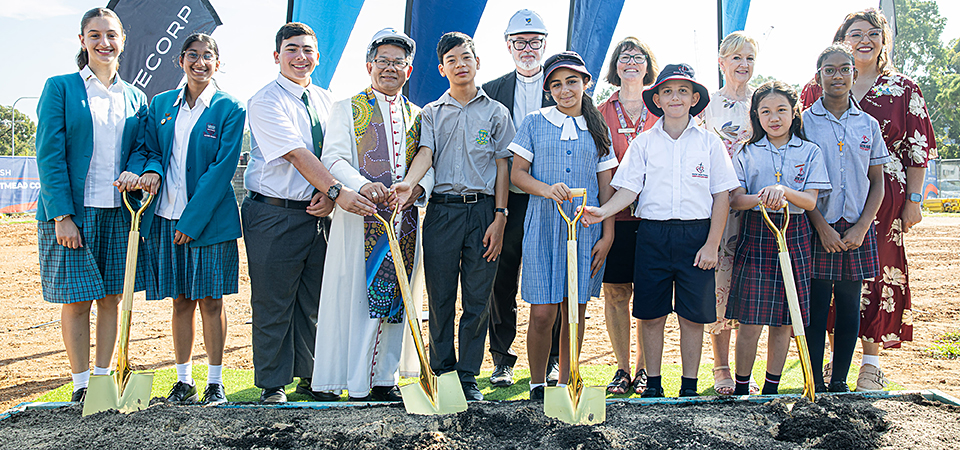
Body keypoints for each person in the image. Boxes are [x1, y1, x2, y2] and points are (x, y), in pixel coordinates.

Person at [582, 64, 740, 398]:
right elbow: (627, 190)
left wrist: (712, 244)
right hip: (652, 236)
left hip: (697, 237)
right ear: (657, 98)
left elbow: (722, 196)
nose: (675, 97)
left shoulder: (710, 144)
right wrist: (603, 212)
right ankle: (652, 385)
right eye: (667, 91)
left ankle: (689, 387)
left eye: (683, 91)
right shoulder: (643, 144)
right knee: (651, 313)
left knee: (692, 317)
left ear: (695, 98)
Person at [800, 9, 936, 392]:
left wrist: (914, 199)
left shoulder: (902, 88)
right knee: (827, 284)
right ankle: (832, 365)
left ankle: (871, 365)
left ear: (883, 39)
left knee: (877, 281)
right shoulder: (814, 90)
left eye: (872, 33)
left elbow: (918, 148)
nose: (864, 39)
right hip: (823, 204)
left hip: (883, 202)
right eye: (854, 33)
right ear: (841, 40)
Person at [244, 22, 376, 404]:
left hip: (319, 213)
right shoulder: (266, 100)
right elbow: (296, 154)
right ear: (277, 56)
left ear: (317, 56)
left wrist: (330, 199)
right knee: (274, 299)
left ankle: (311, 376)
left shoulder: (326, 100)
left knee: (314, 299)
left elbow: (335, 154)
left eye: (307, 50)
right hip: (274, 214)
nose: (301, 57)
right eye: (292, 50)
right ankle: (273, 383)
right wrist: (334, 190)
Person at [119, 34, 245, 405]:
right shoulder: (160, 105)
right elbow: (149, 149)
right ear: (180, 60)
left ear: (218, 64)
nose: (200, 62)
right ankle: (184, 380)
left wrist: (190, 222)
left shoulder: (229, 108)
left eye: (208, 57)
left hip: (208, 224)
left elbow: (221, 171)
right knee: (181, 301)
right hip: (163, 219)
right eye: (193, 55)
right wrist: (153, 170)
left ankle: (216, 383)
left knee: (211, 302)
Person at [310, 28, 433, 401]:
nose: (390, 68)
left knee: (399, 298)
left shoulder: (418, 114)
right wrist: (361, 184)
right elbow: (332, 157)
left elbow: (427, 165)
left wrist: (415, 189)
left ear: (408, 71)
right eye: (383, 61)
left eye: (399, 62)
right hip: (358, 219)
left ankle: (384, 379)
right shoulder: (347, 107)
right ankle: (344, 379)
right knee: (353, 299)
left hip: (403, 221)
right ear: (369, 65)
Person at [35, 7, 147, 404]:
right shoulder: (60, 87)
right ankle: (81, 384)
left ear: (122, 41)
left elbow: (141, 149)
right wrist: (61, 216)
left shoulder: (135, 95)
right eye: (95, 35)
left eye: (112, 35)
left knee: (112, 298)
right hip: (73, 214)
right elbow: (48, 156)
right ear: (82, 41)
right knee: (77, 299)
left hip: (118, 212)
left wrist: (136, 172)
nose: (104, 43)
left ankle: (104, 380)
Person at [396, 32, 514, 401]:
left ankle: (467, 378)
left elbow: (503, 167)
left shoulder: (496, 112)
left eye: (466, 57)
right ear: (441, 68)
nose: (460, 65)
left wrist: (500, 217)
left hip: (483, 214)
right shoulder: (431, 112)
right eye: (452, 60)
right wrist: (408, 184)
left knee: (478, 300)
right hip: (442, 214)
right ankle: (442, 374)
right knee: (441, 298)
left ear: (477, 62)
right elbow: (426, 153)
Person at [509, 51, 617, 400]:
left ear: (586, 83)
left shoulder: (598, 127)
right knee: (543, 313)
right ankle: (537, 385)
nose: (564, 90)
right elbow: (517, 174)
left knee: (575, 310)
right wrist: (547, 189)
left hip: (585, 229)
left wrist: (608, 234)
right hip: (543, 225)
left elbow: (606, 189)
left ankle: (566, 383)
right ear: (548, 90)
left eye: (572, 81)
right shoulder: (534, 122)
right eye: (556, 84)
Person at [726, 81, 830, 395]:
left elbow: (810, 202)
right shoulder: (747, 151)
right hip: (757, 233)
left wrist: (784, 191)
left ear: (794, 111)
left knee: (785, 320)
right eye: (766, 111)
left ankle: (771, 389)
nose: (774, 118)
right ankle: (743, 388)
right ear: (756, 116)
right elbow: (735, 199)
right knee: (750, 320)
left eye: (781, 110)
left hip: (794, 233)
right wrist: (762, 198)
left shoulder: (809, 150)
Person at [802, 44, 891, 393]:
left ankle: (839, 381)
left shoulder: (867, 124)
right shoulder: (805, 122)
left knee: (850, 304)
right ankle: (814, 383)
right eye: (829, 69)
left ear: (854, 74)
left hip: (856, 226)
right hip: (817, 225)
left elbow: (878, 181)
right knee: (818, 304)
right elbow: (800, 181)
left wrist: (862, 226)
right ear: (818, 75)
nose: (837, 75)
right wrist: (821, 227)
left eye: (844, 69)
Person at [481, 9, 560, 388]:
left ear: (545, 44)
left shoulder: (563, 86)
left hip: (551, 198)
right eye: (520, 42)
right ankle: (502, 359)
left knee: (554, 278)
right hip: (507, 200)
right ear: (508, 46)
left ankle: (554, 360)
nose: (527, 49)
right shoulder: (492, 90)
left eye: (534, 42)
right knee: (502, 279)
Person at [595, 37, 659, 395]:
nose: (631, 62)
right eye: (624, 57)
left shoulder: (663, 107)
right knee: (617, 293)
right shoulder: (600, 111)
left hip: (655, 217)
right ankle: (622, 369)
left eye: (638, 57)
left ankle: (646, 369)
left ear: (648, 65)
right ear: (615, 66)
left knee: (649, 293)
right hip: (615, 218)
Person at [700, 31, 760, 396]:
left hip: (757, 206)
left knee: (751, 287)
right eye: (737, 58)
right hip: (719, 207)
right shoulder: (707, 104)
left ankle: (745, 369)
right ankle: (721, 366)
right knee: (720, 286)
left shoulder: (764, 101)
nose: (744, 65)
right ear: (721, 62)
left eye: (750, 58)